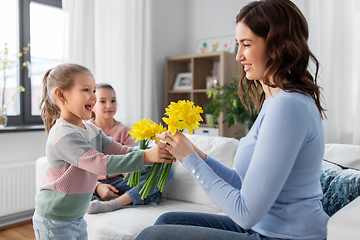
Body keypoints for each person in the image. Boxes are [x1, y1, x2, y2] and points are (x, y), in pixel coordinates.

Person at [136, 0, 328, 239]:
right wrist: (197, 154)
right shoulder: (275, 102)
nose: (238, 56)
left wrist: (190, 159)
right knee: (167, 220)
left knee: (154, 236)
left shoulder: (288, 107)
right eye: (238, 45)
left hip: (285, 236)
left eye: (246, 45)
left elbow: (245, 213)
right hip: (264, 227)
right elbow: (242, 184)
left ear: (278, 45)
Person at [32, 63, 174, 240]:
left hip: (76, 217)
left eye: (93, 90)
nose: (93, 96)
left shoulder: (92, 130)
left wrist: (154, 152)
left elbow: (121, 150)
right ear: (61, 95)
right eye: (86, 90)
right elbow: (100, 164)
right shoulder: (63, 133)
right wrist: (146, 156)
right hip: (54, 220)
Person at [87, 83, 174, 214]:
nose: (109, 105)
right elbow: (81, 168)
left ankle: (116, 203)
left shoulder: (125, 131)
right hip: (92, 183)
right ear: (92, 105)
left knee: (165, 172)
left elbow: (128, 161)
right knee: (76, 185)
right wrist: (97, 187)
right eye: (103, 101)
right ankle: (135, 198)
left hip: (120, 182)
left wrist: (137, 170)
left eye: (113, 100)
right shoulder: (85, 131)